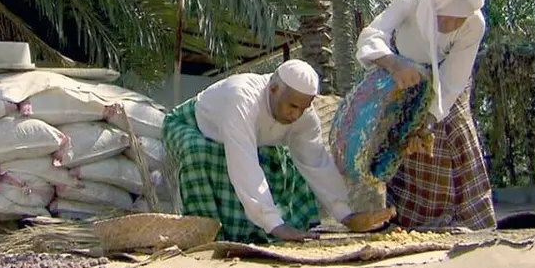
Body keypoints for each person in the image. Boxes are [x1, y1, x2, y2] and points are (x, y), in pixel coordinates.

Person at [162, 59, 393, 243]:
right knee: (199, 153)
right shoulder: (242, 98)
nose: (296, 115)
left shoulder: (304, 115)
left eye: (302, 108)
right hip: (192, 126)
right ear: (272, 89)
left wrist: (346, 216)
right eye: (292, 106)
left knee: (280, 162)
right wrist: (276, 225)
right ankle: (207, 235)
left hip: (245, 143)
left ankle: (257, 233)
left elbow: (315, 162)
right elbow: (244, 162)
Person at [354, 0, 497, 231]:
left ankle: (469, 221)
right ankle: (408, 219)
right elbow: (373, 34)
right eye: (448, 19)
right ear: (435, 7)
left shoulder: (474, 25)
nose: (454, 26)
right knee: (397, 141)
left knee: (454, 136)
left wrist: (427, 122)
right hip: (402, 74)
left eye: (460, 20)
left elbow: (454, 78)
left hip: (446, 79)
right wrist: (394, 63)